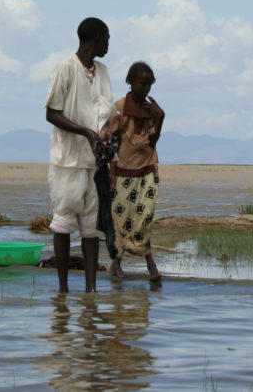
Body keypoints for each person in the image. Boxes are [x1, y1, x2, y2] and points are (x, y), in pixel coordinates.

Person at [44, 17, 116, 293]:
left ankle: (90, 291)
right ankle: (63, 290)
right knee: (63, 222)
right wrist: (86, 133)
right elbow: (52, 113)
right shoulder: (65, 68)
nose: (109, 44)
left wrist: (105, 132)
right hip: (67, 161)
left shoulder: (103, 71)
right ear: (96, 37)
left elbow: (106, 115)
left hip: (95, 163)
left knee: (91, 227)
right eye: (107, 38)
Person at [106, 61, 164, 282]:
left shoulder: (151, 111)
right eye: (143, 84)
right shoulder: (119, 108)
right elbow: (110, 144)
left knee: (144, 218)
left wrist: (160, 119)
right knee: (123, 220)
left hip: (148, 168)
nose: (146, 90)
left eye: (149, 85)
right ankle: (117, 263)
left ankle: (149, 263)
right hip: (123, 172)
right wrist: (111, 175)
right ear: (130, 82)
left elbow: (152, 142)